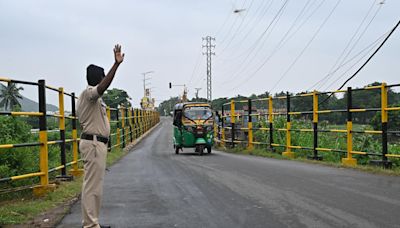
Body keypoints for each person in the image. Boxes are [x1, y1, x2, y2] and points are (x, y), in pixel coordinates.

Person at [76, 44, 124, 228]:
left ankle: (92, 222)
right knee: (92, 187)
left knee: (94, 187)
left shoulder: (91, 98)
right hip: (94, 144)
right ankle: (90, 225)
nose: (105, 80)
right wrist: (116, 65)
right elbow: (102, 87)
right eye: (103, 77)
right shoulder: (90, 94)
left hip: (96, 145)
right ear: (99, 79)